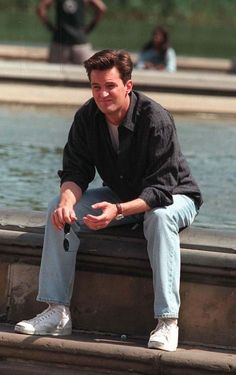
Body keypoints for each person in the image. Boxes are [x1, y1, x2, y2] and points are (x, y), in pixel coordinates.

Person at [14, 49, 202, 352]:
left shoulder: (155, 119)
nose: (102, 94)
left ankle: (168, 322)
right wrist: (66, 200)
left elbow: (161, 190)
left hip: (174, 196)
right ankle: (58, 312)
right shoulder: (87, 117)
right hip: (122, 195)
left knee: (159, 217)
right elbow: (76, 171)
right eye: (96, 87)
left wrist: (117, 211)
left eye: (110, 86)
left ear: (128, 85)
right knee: (57, 208)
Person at [37, 0, 107, 64]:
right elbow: (101, 8)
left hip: (60, 41)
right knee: (86, 74)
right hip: (80, 41)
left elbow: (41, 8)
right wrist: (90, 28)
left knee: (55, 74)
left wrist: (50, 27)